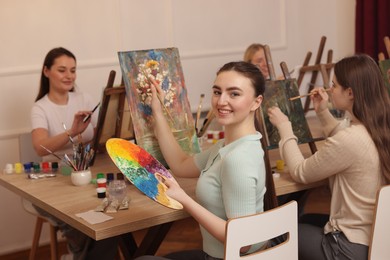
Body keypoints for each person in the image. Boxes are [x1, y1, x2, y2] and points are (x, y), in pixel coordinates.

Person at [136, 61, 275, 260]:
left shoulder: (238, 159)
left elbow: (243, 243)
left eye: (234, 94)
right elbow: (181, 165)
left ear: (256, 102)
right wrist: (157, 112)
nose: (221, 101)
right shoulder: (229, 146)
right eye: (218, 92)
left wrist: (184, 199)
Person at [267, 54, 390, 260]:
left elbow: (300, 172)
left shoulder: (351, 139)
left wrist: (285, 128)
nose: (329, 90)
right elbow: (347, 143)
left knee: (276, 233)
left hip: (347, 249)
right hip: (378, 241)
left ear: (350, 93)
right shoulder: (380, 126)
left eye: (333, 85)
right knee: (305, 218)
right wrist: (323, 111)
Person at [30, 47, 119, 260]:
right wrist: (72, 132)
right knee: (84, 223)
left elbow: (98, 141)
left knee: (112, 217)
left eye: (73, 70)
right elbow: (40, 147)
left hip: (85, 175)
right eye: (62, 70)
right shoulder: (40, 108)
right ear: (46, 71)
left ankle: (81, 255)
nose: (69, 76)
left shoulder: (85, 98)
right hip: (53, 181)